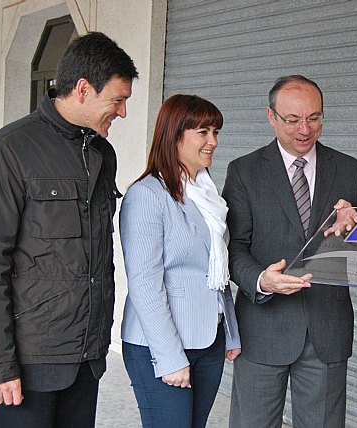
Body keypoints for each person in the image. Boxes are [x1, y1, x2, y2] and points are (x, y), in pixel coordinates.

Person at [0, 32, 137, 427]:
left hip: (86, 358)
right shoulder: (9, 149)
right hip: (30, 362)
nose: (123, 112)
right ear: (83, 89)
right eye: (117, 100)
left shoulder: (101, 152)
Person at [223, 75, 357, 428]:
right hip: (262, 328)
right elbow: (233, 248)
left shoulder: (349, 170)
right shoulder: (244, 171)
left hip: (326, 328)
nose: (304, 130)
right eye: (292, 120)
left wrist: (356, 228)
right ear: (271, 116)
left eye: (314, 118)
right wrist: (261, 280)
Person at [119, 94, 241, 428]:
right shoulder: (147, 195)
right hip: (160, 344)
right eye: (203, 132)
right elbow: (145, 284)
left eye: (215, 132)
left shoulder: (206, 194)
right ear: (174, 136)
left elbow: (214, 270)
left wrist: (229, 331)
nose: (213, 141)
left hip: (208, 338)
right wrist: (169, 356)